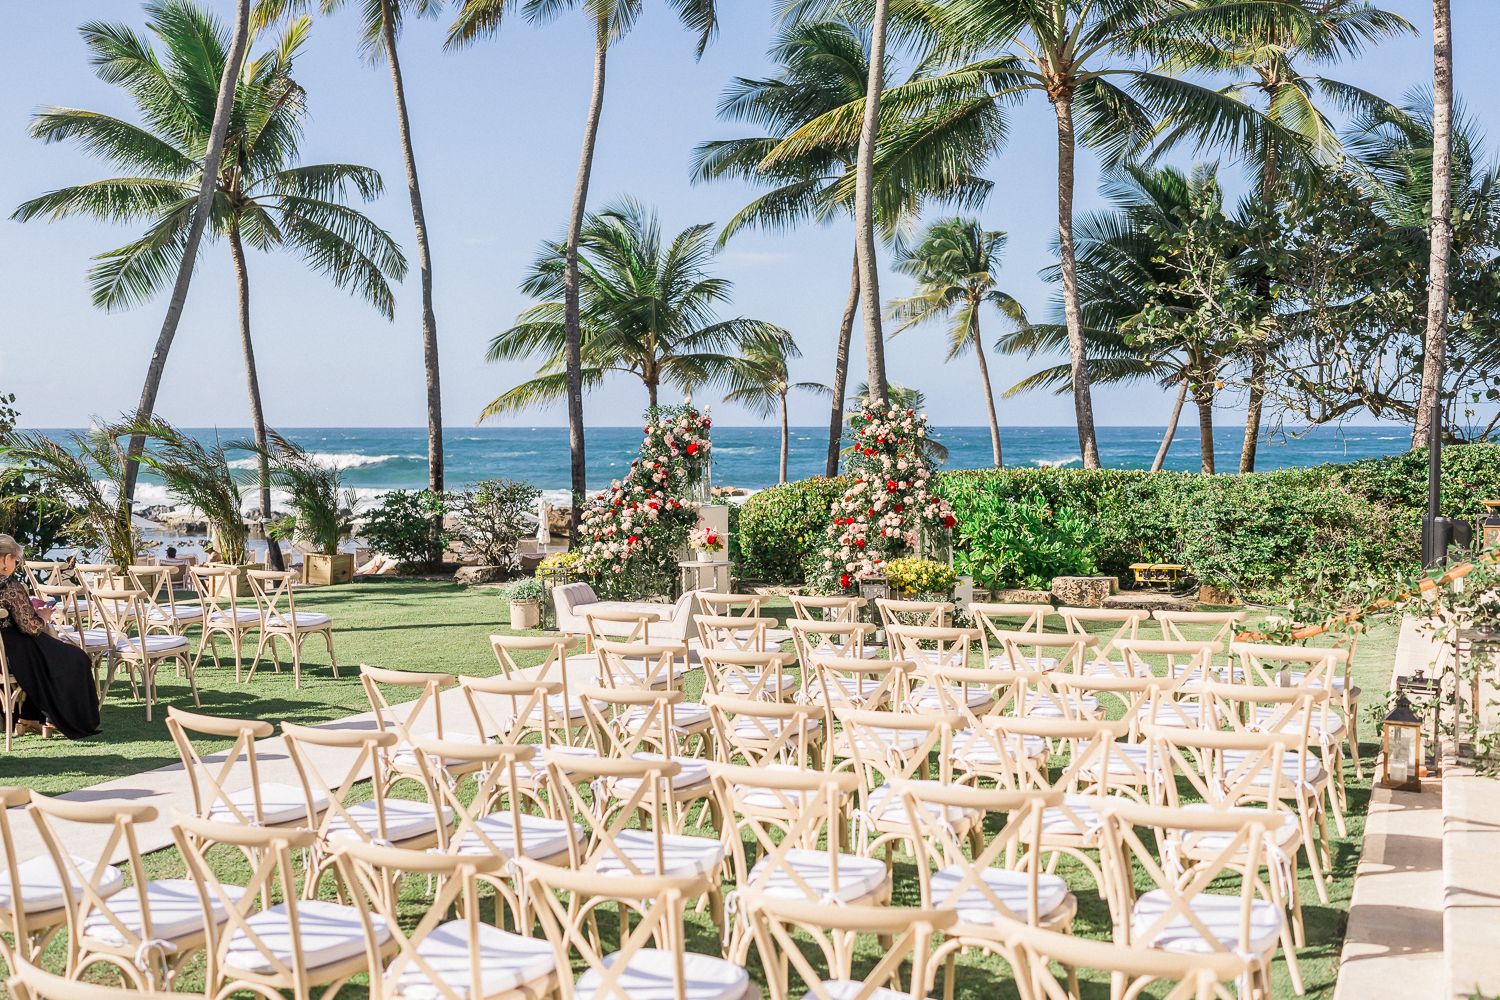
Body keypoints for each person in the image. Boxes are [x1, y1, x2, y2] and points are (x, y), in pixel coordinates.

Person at [0, 534, 100, 740]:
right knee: (76, 658)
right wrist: (43, 617)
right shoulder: (9, 586)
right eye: (15, 560)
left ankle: (29, 717)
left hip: (3, 653)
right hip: (15, 651)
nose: (15, 565)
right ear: (5, 559)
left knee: (56, 658)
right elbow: (31, 628)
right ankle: (60, 717)